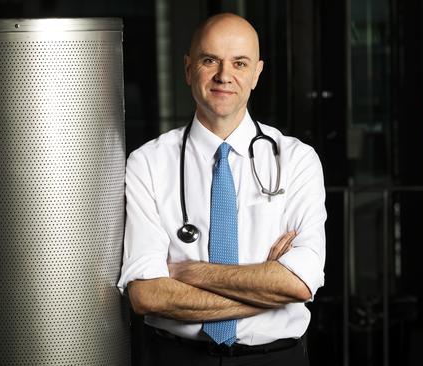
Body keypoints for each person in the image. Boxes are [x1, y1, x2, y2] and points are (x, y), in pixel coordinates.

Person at [117, 13, 326, 366]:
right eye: (209, 60)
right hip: (176, 358)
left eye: (239, 63)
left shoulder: (296, 160)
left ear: (257, 73)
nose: (223, 75)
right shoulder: (148, 163)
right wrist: (266, 289)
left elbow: (299, 282)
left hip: (275, 359)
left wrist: (187, 271)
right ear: (187, 68)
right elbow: (147, 294)